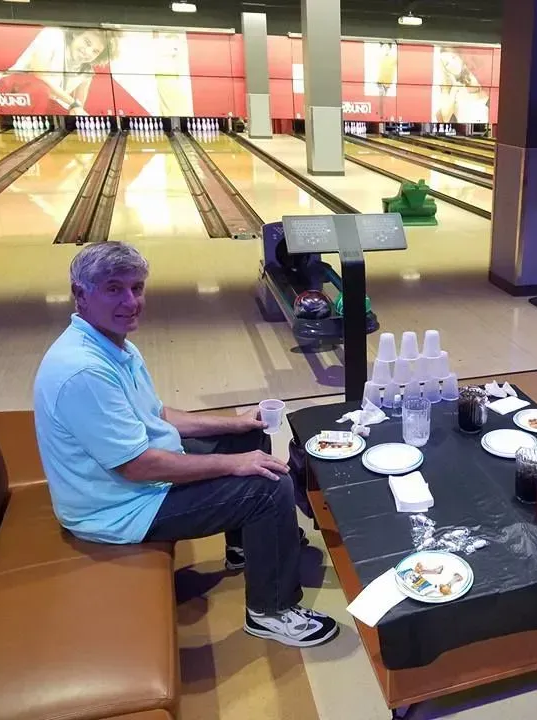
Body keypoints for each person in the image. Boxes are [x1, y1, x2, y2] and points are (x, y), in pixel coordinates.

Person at [33, 242, 338, 648]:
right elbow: (138, 466)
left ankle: (246, 548)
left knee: (249, 436)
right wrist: (233, 465)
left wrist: (234, 424)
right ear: (80, 294)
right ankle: (272, 610)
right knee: (268, 485)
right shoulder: (83, 371)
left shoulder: (112, 343)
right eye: (114, 288)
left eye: (137, 288)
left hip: (134, 482)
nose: (131, 301)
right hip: (116, 508)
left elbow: (157, 415)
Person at [0, 27, 114, 115]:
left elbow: (78, 105)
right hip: (12, 89)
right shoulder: (53, 35)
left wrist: (76, 111)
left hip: (44, 101)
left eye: (95, 51)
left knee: (71, 112)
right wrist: (72, 103)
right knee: (40, 89)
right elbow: (39, 74)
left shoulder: (86, 72)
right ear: (76, 34)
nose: (88, 52)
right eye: (87, 42)